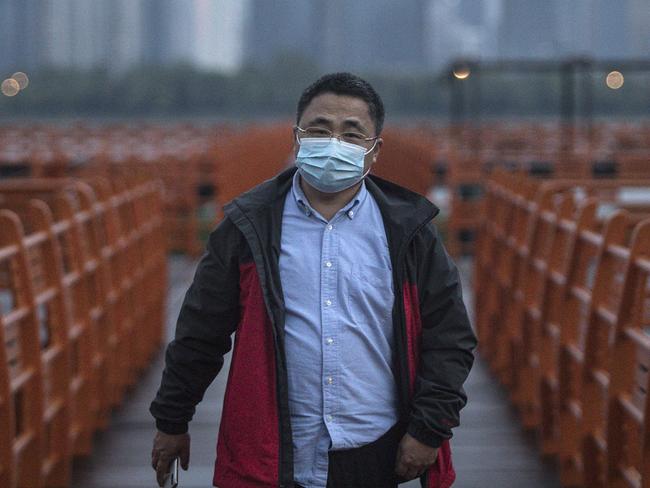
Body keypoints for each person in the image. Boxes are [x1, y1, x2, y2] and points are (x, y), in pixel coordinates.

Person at [150, 72, 476, 488]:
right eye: (319, 129)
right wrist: (172, 419)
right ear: (296, 137)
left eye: (351, 133)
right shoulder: (248, 227)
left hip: (374, 446)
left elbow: (451, 336)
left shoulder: (409, 232)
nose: (334, 143)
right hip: (273, 449)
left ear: (374, 152)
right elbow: (201, 331)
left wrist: (429, 429)